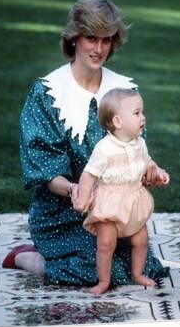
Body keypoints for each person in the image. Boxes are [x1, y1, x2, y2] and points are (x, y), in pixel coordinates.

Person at [2, 0, 170, 287]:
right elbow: (45, 168)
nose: (99, 48)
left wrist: (148, 172)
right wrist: (75, 190)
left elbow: (136, 151)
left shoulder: (123, 91)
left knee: (143, 268)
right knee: (98, 270)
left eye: (106, 40)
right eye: (91, 38)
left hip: (114, 211)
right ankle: (30, 258)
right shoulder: (48, 93)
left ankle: (61, 260)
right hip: (63, 212)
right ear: (74, 38)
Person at [73, 88, 170, 296]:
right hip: (110, 204)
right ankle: (103, 281)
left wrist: (157, 171)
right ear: (118, 122)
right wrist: (82, 198)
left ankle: (137, 273)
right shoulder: (104, 149)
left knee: (140, 240)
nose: (143, 117)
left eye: (142, 112)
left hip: (133, 201)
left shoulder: (140, 144)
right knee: (106, 244)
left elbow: (148, 162)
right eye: (137, 113)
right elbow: (89, 175)